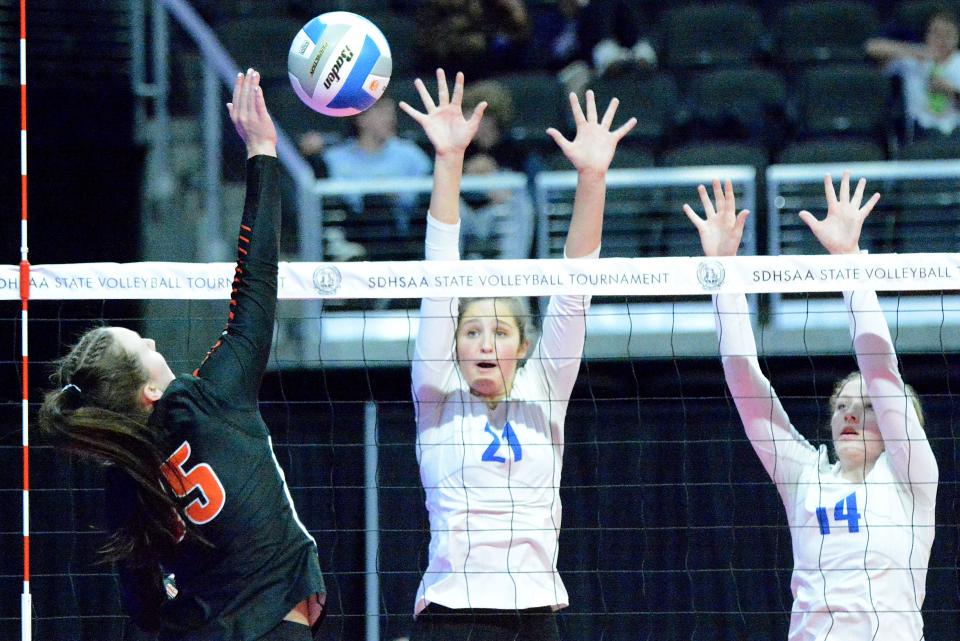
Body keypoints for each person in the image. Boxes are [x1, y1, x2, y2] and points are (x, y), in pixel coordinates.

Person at [38, 70, 326, 641]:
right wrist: (262, 153)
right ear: (148, 389)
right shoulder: (209, 399)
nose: (153, 341)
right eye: (143, 345)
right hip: (274, 627)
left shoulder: (124, 474)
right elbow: (255, 290)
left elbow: (139, 600)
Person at [398, 68, 635, 640]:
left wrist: (593, 179)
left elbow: (575, 287)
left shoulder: (543, 389)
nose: (484, 343)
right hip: (453, 616)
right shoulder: (436, 392)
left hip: (535, 616)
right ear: (453, 345)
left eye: (499, 332)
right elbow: (440, 276)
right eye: (472, 332)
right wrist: (449, 161)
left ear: (523, 347)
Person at [682, 173, 938, 640]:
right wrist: (723, 275)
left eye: (866, 407)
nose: (850, 415)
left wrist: (850, 264)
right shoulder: (806, 476)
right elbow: (745, 386)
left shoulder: (911, 477)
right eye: (841, 405)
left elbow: (881, 371)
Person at [322, 96, 433, 242]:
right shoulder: (335, 158)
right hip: (354, 235)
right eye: (381, 112)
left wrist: (395, 194)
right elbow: (341, 203)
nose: (390, 119)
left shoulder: (412, 154)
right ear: (360, 119)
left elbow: (425, 197)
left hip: (405, 237)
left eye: (391, 112)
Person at [866, 8, 960, 138]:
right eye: (936, 33)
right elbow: (872, 47)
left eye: (947, 34)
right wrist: (914, 52)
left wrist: (951, 91)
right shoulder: (913, 56)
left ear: (957, 37)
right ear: (927, 34)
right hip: (919, 132)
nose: (941, 39)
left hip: (955, 132)